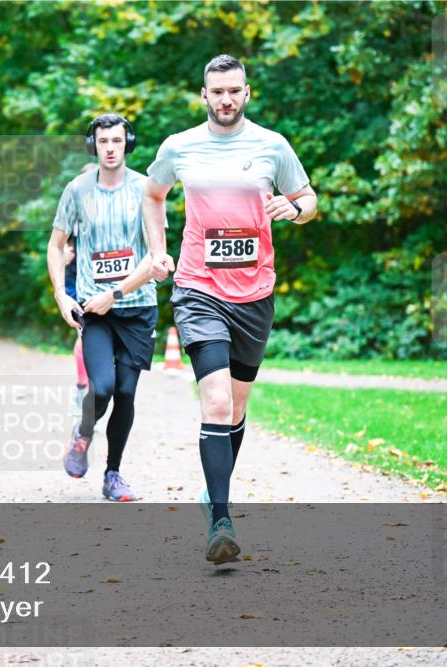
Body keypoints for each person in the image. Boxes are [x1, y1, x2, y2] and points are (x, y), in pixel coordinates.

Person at [143, 55, 317, 563]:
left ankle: (212, 493)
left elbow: (308, 199)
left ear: (247, 92)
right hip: (198, 287)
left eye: (234, 90)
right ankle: (221, 519)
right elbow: (152, 195)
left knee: (237, 406)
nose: (226, 99)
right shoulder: (179, 146)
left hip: (254, 293)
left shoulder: (272, 145)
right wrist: (158, 250)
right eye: (216, 91)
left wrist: (295, 209)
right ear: (204, 95)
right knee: (216, 403)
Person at [47, 113, 159, 502]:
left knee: (126, 393)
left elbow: (156, 254)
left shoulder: (146, 189)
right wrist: (61, 294)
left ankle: (113, 475)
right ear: (92, 145)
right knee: (103, 387)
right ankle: (83, 432)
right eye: (103, 141)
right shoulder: (77, 191)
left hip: (138, 307)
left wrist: (117, 292)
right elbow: (55, 245)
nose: (110, 148)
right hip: (95, 310)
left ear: (128, 143)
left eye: (116, 140)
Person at [64, 234, 89, 416]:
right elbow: (56, 248)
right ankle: (81, 390)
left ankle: (84, 390)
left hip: (99, 293)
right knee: (83, 339)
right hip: (75, 293)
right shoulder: (71, 229)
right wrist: (64, 257)